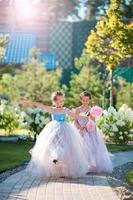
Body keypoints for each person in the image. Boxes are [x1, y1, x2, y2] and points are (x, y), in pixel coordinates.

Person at [20, 91, 89, 178]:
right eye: (60, 100)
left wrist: (85, 117)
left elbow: (75, 116)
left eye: (63, 100)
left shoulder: (65, 110)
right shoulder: (52, 109)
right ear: (54, 101)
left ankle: (64, 168)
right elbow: (41, 106)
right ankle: (54, 161)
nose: (62, 102)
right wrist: (30, 102)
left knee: (67, 148)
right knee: (53, 147)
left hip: (65, 131)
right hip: (53, 131)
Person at [74, 91, 113, 173]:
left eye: (87, 100)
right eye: (83, 100)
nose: (85, 102)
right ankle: (81, 166)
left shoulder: (91, 110)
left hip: (89, 131)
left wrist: (91, 128)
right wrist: (79, 127)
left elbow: (93, 121)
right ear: (81, 100)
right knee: (80, 148)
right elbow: (75, 121)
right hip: (80, 130)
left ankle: (89, 166)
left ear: (89, 100)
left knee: (90, 148)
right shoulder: (78, 109)